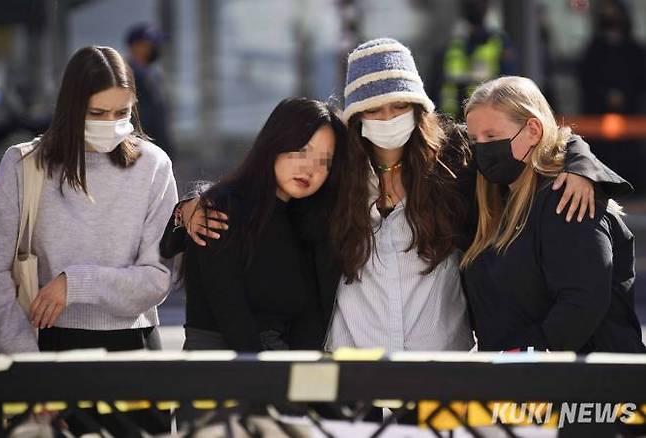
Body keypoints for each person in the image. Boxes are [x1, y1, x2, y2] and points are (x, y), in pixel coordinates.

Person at [178, 39, 621, 357]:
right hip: (351, 366)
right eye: (372, 109)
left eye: (398, 105)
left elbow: (536, 139)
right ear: (355, 117)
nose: (387, 117)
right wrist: (193, 206)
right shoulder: (335, 176)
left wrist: (582, 166)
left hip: (440, 366)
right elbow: (268, 188)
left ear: (418, 107)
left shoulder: (456, 162)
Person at [0, 46, 178, 353]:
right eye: (98, 113)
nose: (111, 123)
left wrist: (75, 283)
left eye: (122, 112)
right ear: (71, 108)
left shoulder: (153, 165)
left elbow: (157, 278)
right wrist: (26, 364)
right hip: (47, 342)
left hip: (134, 345)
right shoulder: (24, 166)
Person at [462, 76, 644, 355]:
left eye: (492, 137)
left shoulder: (569, 197)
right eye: (475, 139)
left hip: (584, 389)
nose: (482, 149)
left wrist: (526, 354)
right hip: (515, 385)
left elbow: (582, 301)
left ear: (533, 130)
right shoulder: (494, 200)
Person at [160, 98, 346, 351]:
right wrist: (183, 211)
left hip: (280, 367)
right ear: (275, 143)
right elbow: (229, 311)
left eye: (325, 161)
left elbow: (313, 320)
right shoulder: (220, 209)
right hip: (218, 370)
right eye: (302, 151)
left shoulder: (311, 225)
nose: (310, 168)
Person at [578, 0, 646, 193]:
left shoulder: (634, 49)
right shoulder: (594, 48)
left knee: (628, 156)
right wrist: (605, 96)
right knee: (602, 155)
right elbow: (587, 79)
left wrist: (625, 96)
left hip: (630, 117)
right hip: (598, 117)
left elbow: (640, 79)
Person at [430, 0, 517, 120]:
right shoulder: (452, 42)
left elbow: (509, 85)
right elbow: (436, 85)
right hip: (452, 120)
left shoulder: (498, 42)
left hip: (486, 118)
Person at [125, 23, 174, 158]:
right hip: (139, 149)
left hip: (156, 148)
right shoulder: (123, 75)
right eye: (151, 44)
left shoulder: (153, 74)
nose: (156, 48)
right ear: (136, 46)